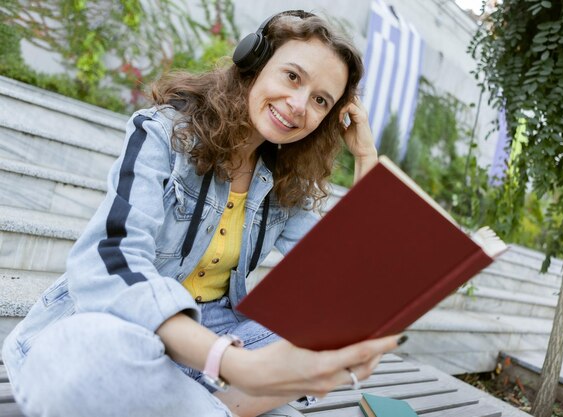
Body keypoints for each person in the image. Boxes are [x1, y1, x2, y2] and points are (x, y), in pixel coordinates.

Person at [1, 10, 403, 417]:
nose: (299, 105)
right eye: (292, 76)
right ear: (255, 63)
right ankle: (224, 403)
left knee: (338, 320)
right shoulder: (161, 132)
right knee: (93, 353)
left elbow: (353, 276)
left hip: (218, 341)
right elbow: (110, 259)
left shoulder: (282, 185)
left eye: (321, 101)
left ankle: (203, 402)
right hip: (129, 329)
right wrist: (234, 364)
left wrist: (365, 155)